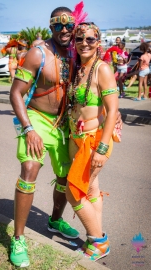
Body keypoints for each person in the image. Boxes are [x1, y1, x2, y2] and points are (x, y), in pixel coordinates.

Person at [9, 4, 122, 268]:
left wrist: (113, 114)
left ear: (75, 27)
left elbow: (102, 95)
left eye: (69, 25)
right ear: (50, 26)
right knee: (29, 170)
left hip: (65, 128)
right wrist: (28, 129)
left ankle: (56, 220)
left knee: (65, 178)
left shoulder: (77, 55)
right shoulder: (38, 54)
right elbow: (15, 93)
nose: (64, 30)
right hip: (37, 120)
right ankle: (18, 238)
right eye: (57, 25)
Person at [66, 22, 118, 261]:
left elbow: (113, 109)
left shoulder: (102, 69)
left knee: (73, 192)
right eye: (79, 39)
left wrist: (103, 148)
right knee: (91, 190)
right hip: (76, 139)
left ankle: (99, 242)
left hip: (94, 142)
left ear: (99, 42)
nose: (84, 44)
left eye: (89, 39)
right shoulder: (79, 68)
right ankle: (95, 239)